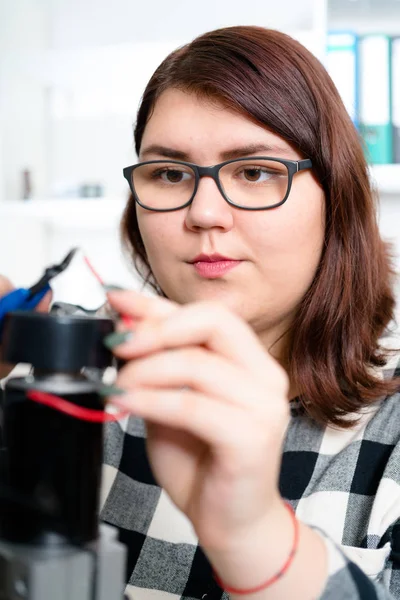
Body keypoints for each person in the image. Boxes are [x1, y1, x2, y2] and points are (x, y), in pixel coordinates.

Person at [1, 25, 399, 599]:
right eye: (169, 174)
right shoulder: (56, 377)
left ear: (336, 198)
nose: (204, 213)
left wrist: (255, 537)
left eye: (255, 171)